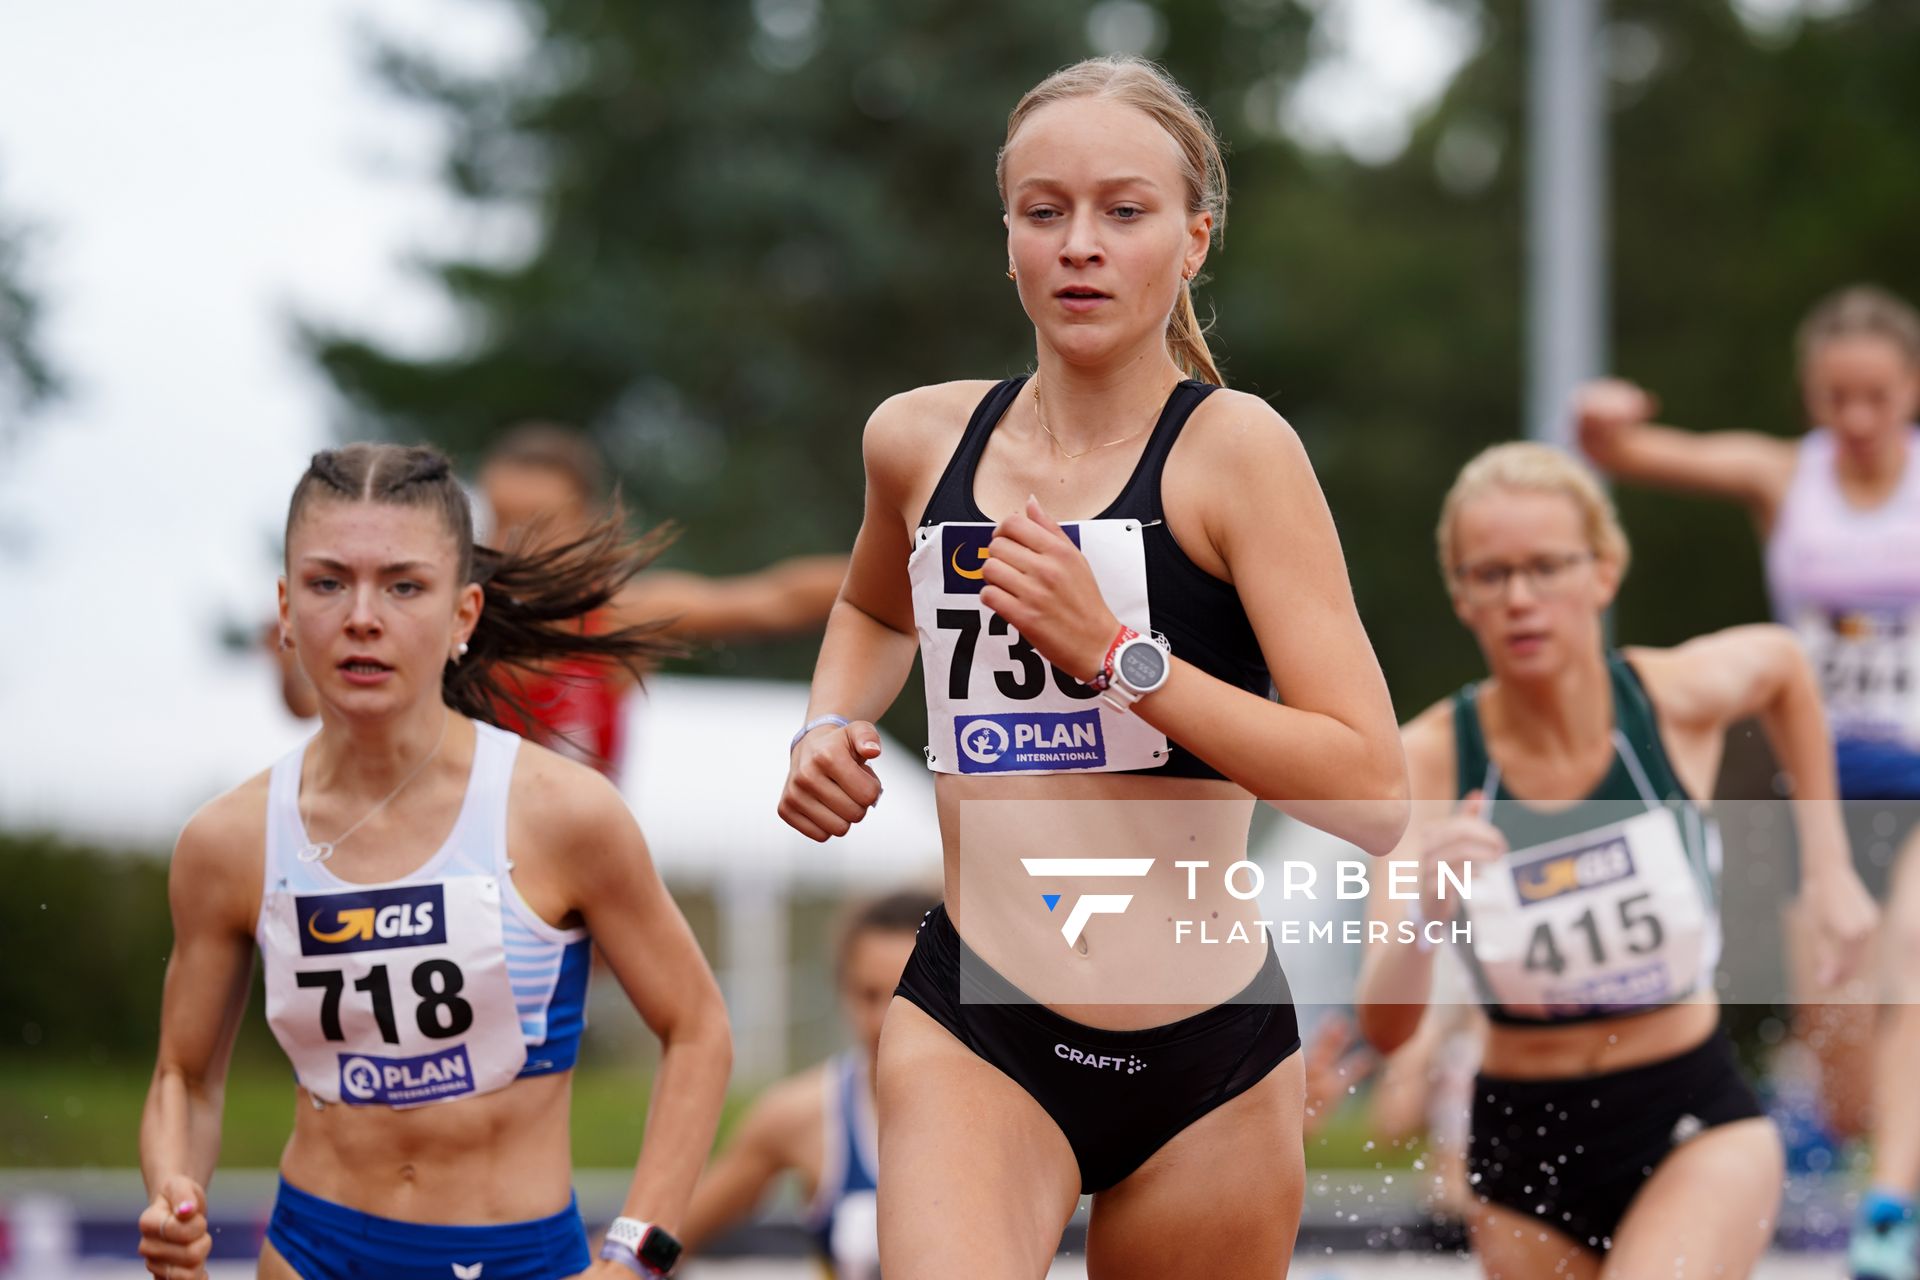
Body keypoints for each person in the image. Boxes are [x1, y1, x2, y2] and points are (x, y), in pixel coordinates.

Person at [777, 55, 1408, 1279]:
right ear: (1006, 236)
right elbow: (870, 604)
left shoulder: (1238, 456)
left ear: (1193, 241)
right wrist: (824, 724)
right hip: (980, 1024)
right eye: (1044, 211)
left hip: (1209, 1056)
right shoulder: (917, 438)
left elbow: (1373, 795)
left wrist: (1119, 657)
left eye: (1125, 211)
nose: (1081, 244)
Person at [139, 444, 732, 1280]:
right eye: (326, 583)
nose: (362, 617)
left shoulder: (563, 814)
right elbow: (183, 1075)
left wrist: (641, 1253)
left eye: (404, 586)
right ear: (283, 608)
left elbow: (698, 1028)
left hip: (521, 1258)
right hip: (314, 1256)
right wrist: (173, 1190)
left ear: (463, 615)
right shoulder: (226, 842)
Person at [1356, 441, 1876, 1277]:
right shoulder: (1429, 764)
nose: (1521, 598)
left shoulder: (1668, 701)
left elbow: (1784, 666)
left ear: (1602, 572)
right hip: (1523, 1142)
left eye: (1546, 568)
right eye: (1491, 575)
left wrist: (1828, 865)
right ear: (1460, 594)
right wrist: (1426, 913)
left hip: (1689, 1113)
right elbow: (1386, 1023)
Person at [1575, 284, 1920, 1277]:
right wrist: (1605, 418)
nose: (1856, 420)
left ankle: (1888, 1207)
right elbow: (1631, 454)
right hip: (1820, 787)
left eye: (1877, 398)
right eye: (1836, 398)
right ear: (1813, 395)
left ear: (1909, 391)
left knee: (1911, 976)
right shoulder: (1786, 476)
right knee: (1840, 1051)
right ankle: (1858, 1150)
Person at [270, 423, 847, 777]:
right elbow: (305, 699)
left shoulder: (619, 614)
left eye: (540, 525)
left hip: (574, 909)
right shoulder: (450, 623)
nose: (517, 544)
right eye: (502, 520)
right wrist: (292, 655)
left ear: (587, 522)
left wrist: (919, 559)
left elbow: (772, 600)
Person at [680, 889, 939, 1280]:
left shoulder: (1012, 1109)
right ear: (842, 991)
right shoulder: (801, 1114)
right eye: (870, 995)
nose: (889, 1019)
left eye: (911, 995)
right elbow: (671, 1234)